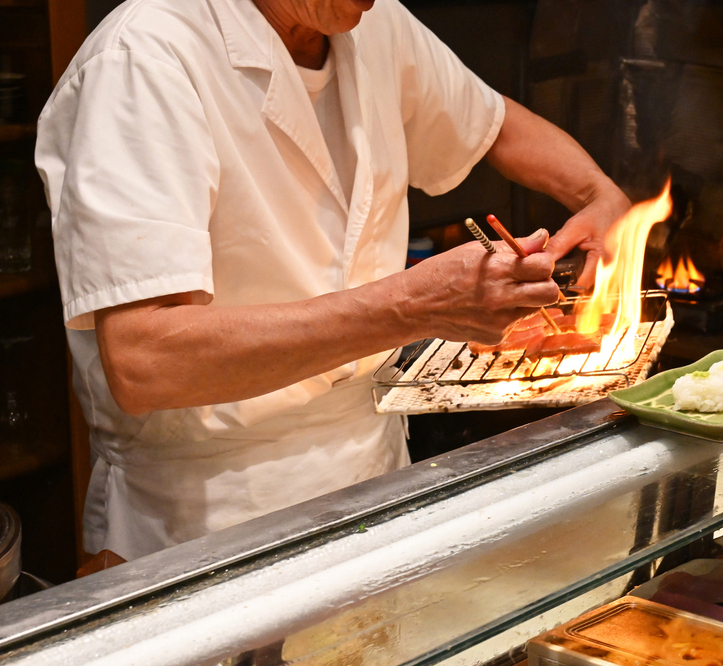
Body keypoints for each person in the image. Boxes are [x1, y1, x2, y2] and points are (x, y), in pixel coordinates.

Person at [35, 0, 631, 560]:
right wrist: (412, 305)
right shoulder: (143, 58)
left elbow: (491, 124)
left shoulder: (368, 19)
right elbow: (145, 361)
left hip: (373, 472)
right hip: (205, 513)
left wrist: (599, 195)